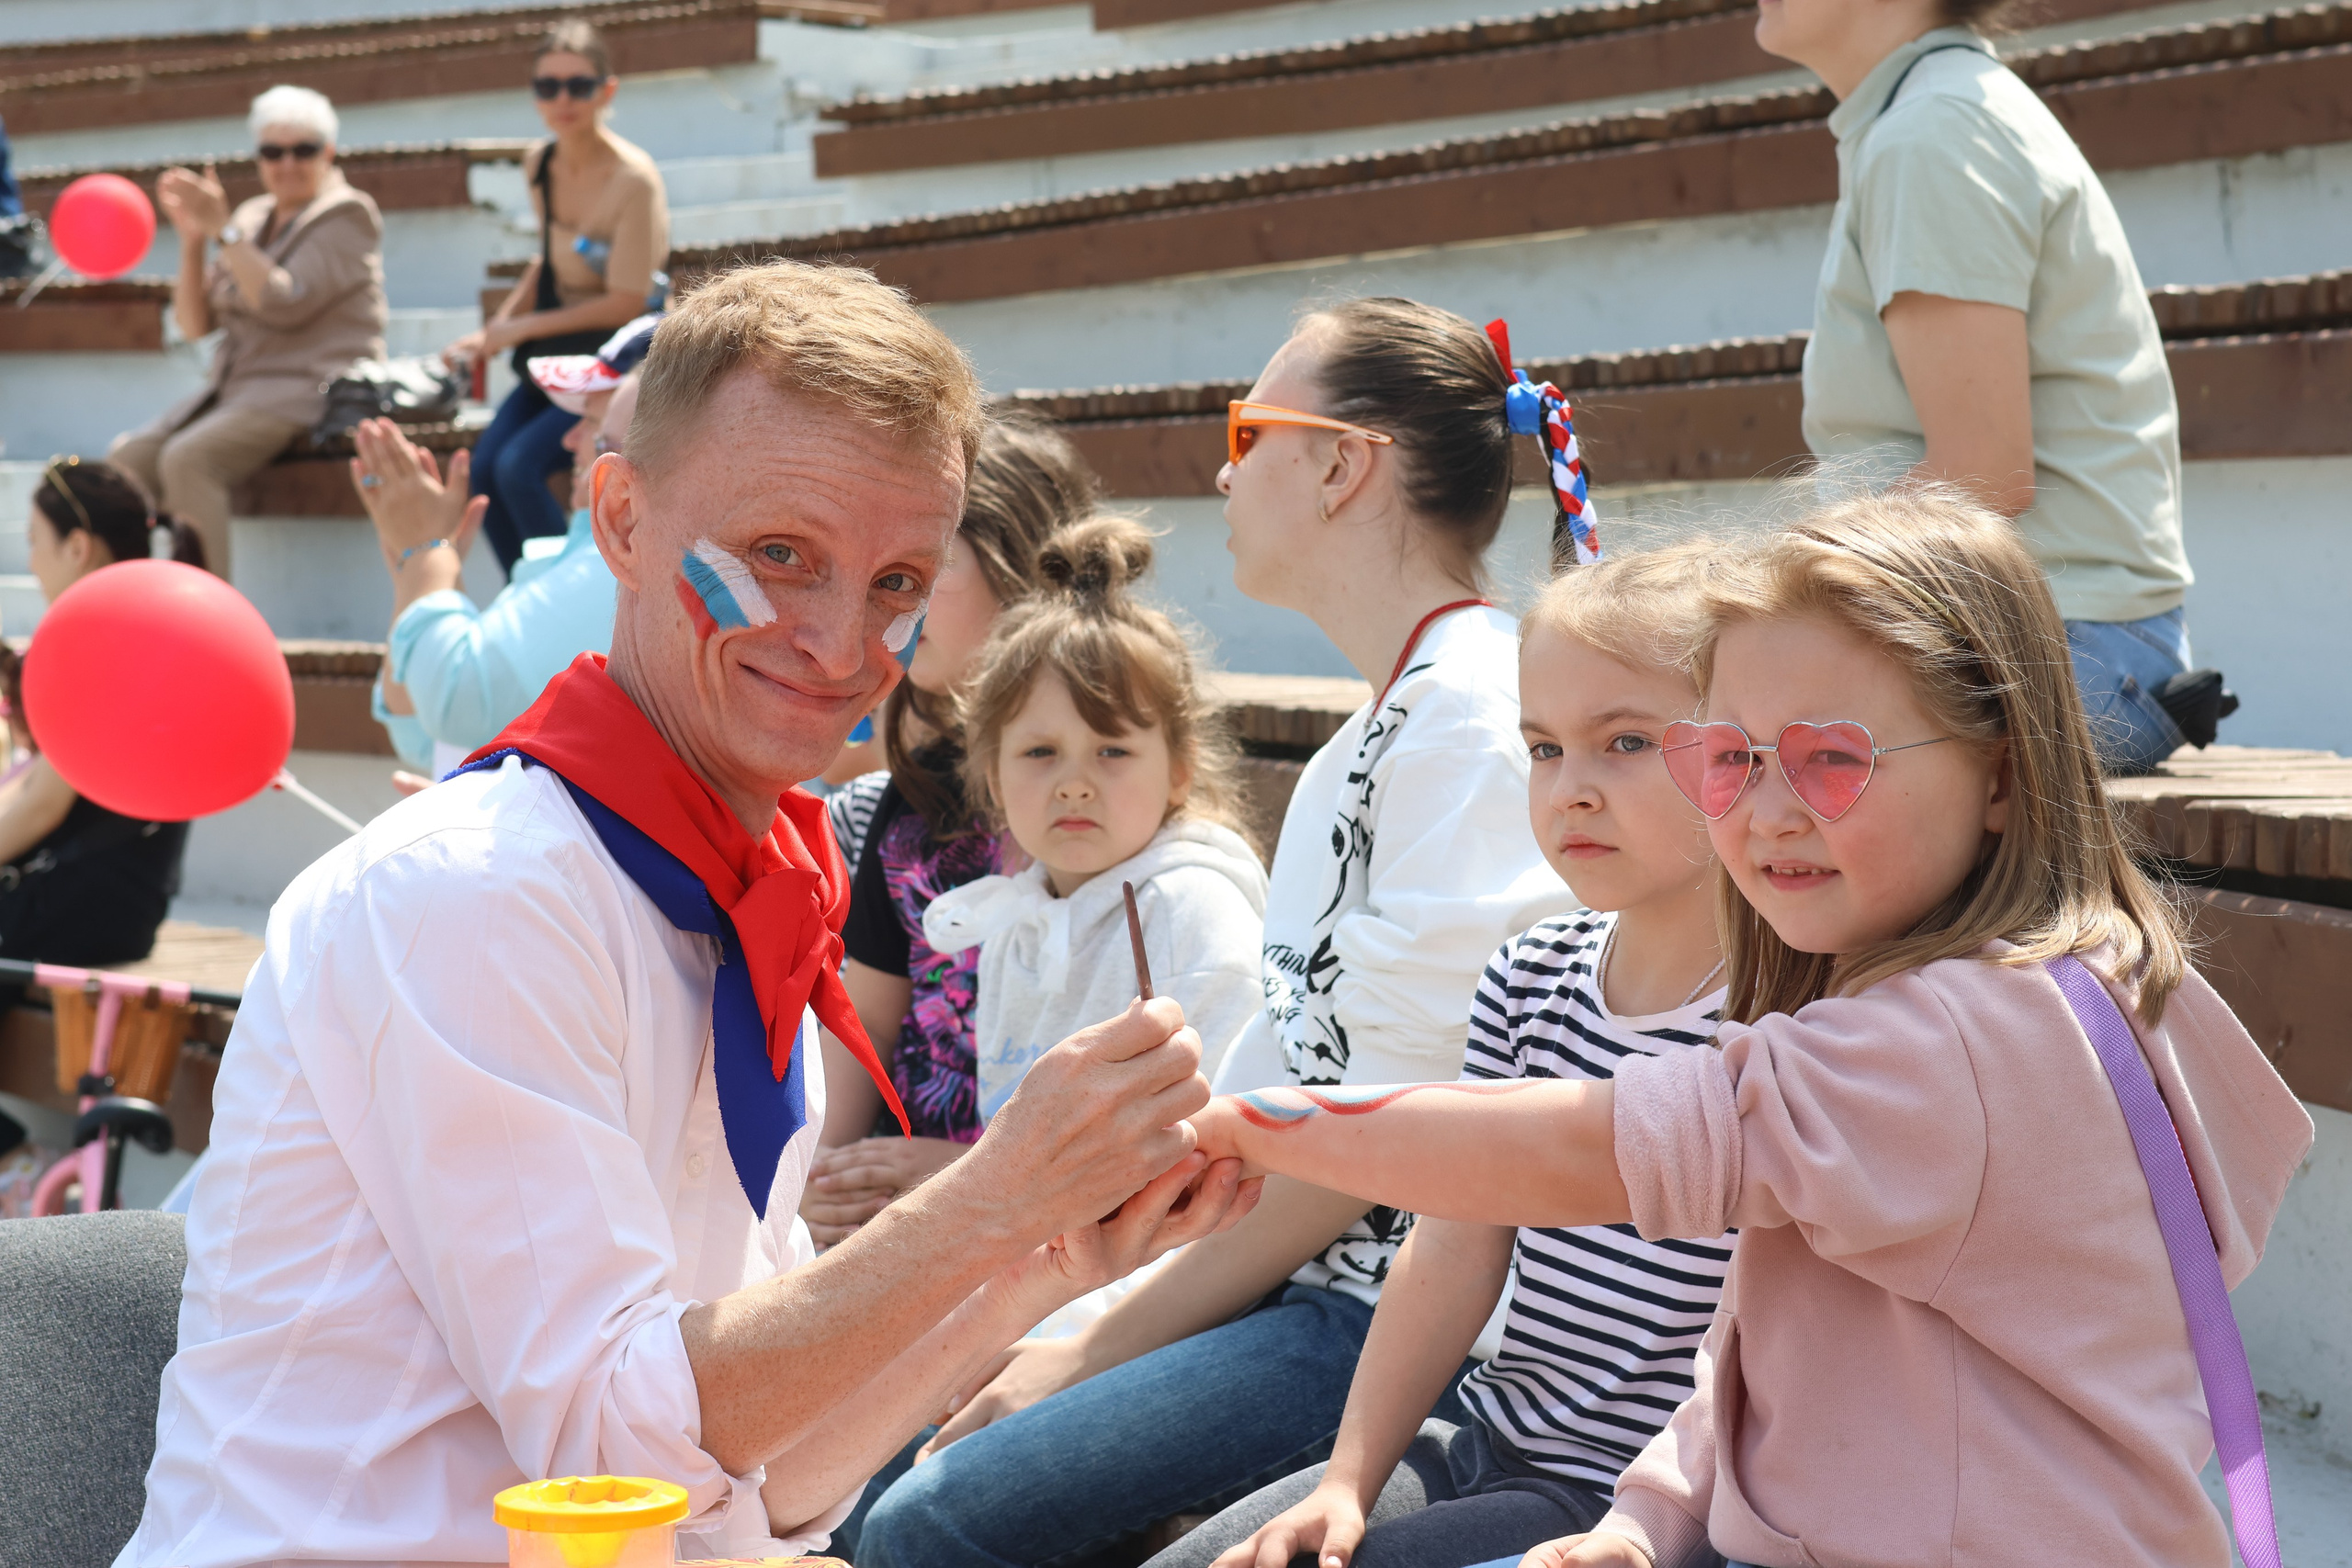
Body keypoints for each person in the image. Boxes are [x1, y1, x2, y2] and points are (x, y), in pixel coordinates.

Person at [114, 259, 1258, 1568]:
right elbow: (619, 1454)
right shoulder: (477, 894)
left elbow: (746, 1476)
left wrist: (1041, 1257)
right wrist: (994, 1195)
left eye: (896, 583)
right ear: (620, 519)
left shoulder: (736, 869)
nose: (840, 645)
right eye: (782, 555)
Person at [1182, 492, 2314, 1568]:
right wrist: (1648, 1517)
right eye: (1732, 759)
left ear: (2002, 776)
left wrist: (1253, 1130)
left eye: (1831, 759)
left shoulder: (1959, 1039)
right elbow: (1761, 1345)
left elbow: (1575, 1150)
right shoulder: (2058, 987)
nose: (1769, 812)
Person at [853, 297, 1575, 1568]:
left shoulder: (1473, 718)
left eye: (1251, 429)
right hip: (1298, 1279)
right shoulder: (1390, 723)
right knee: (870, 1455)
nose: (1224, 467)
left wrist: (1085, 1341)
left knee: (929, 1516)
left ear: (1346, 462)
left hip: (1391, 1311)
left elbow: (1367, 1151)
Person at [1162, 550, 1731, 1568]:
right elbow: (1454, 1247)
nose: (1572, 790)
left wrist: (1645, 1528)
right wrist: (1348, 1480)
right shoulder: (1528, 975)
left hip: (1627, 1508)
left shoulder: (1791, 1022)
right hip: (1486, 1436)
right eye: (1545, 749)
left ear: (1741, 751)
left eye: (1626, 742)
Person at [1767, 0, 2223, 774]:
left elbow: (1983, 473)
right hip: (2056, 637)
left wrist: (1775, 582)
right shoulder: (1929, 115)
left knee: (1716, 751)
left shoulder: (1933, 132)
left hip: (2065, 649)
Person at [800, 413, 1102, 1246]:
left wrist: (968, 1179)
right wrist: (812, 1187)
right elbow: (861, 1039)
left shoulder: (1111, 807)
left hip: (1057, 1231)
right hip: (901, 1218)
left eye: (921, 568)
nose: (888, 598)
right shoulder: (909, 811)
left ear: (1021, 567)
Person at [924, 514, 1267, 1130]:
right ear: (995, 778)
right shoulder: (1012, 922)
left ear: (1180, 770)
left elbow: (1227, 1126)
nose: (1075, 782)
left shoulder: (1194, 910)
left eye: (1112, 750)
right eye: (1039, 752)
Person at [109, 85, 386, 579]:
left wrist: (225, 233)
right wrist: (194, 241)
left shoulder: (349, 212)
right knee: (127, 459)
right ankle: (127, 600)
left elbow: (284, 301)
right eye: (272, 151)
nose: (286, 164)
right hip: (237, 390)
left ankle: (208, 619)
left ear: (328, 152)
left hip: (308, 388)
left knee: (188, 460)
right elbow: (195, 325)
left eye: (303, 149)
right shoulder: (252, 215)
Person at [359, 320, 658, 772]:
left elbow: (454, 703)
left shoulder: (620, 565)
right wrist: (417, 574)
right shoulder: (592, 554)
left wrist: (424, 553)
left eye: (596, 429)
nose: (570, 440)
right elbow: (420, 733)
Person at [449, 19, 670, 574]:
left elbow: (627, 301)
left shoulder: (634, 178)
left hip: (616, 353)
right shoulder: (539, 162)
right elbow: (549, 258)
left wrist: (518, 331)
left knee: (520, 466)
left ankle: (582, 587)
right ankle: (523, 594)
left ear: (607, 90)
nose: (563, 99)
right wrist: (492, 331)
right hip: (557, 351)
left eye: (579, 85)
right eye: (548, 87)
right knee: (483, 471)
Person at [1, 458, 204, 972]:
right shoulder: (152, 624)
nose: (32, 563)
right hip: (123, 902)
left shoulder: (97, 640)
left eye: (34, 542)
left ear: (77, 547)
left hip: (77, 904)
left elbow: (42, 807)